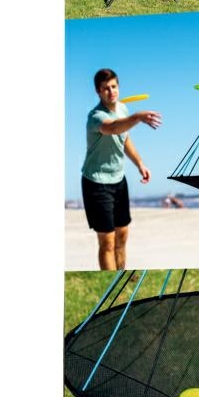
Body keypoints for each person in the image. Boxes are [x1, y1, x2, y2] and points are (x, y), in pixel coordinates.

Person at [81, 68, 161, 270]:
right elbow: (113, 128)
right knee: (107, 242)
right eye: (105, 88)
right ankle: (110, 280)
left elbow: (124, 138)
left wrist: (140, 163)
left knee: (122, 236)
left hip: (118, 180)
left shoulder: (123, 109)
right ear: (98, 91)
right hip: (97, 183)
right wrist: (138, 117)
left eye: (114, 86)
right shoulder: (96, 116)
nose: (111, 91)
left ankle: (121, 274)